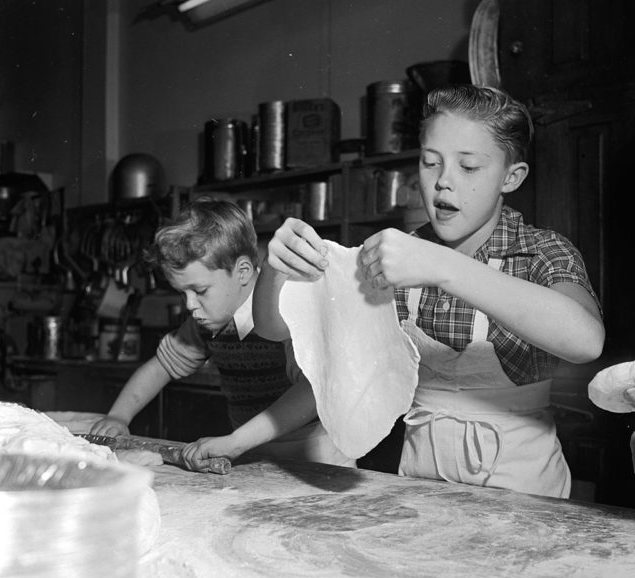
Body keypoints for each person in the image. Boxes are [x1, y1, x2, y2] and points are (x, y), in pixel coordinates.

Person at [253, 84, 605, 498]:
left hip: (526, 494)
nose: (443, 183)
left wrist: (442, 266)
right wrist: (275, 271)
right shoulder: (397, 255)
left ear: (512, 177)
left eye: (469, 167)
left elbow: (586, 341)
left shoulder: (541, 252)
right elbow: (273, 329)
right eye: (430, 162)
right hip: (420, 489)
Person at [90, 199, 355, 470]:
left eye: (200, 291)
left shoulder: (285, 306)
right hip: (251, 452)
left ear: (242, 272)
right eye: (183, 293)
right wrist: (118, 417)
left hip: (317, 455)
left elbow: (311, 392)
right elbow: (161, 367)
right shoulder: (207, 321)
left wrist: (236, 441)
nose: (189, 304)